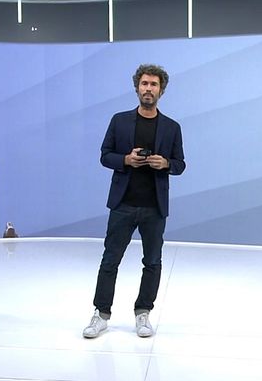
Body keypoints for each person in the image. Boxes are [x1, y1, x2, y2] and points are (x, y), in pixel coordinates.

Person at [82, 64, 186, 339]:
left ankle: (143, 313)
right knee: (110, 260)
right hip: (123, 204)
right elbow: (105, 155)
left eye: (153, 84)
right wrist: (126, 159)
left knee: (152, 262)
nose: (148, 89)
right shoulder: (120, 121)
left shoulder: (172, 127)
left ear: (161, 90)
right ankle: (101, 314)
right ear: (137, 88)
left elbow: (180, 164)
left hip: (155, 207)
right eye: (144, 84)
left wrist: (165, 163)